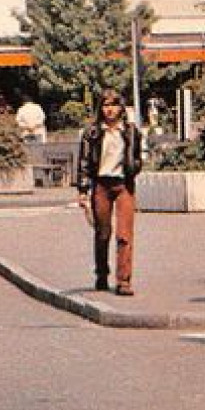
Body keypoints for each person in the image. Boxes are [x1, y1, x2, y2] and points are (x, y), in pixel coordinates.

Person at [76, 89, 143, 296]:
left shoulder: (130, 131)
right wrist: (83, 189)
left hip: (124, 185)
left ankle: (124, 281)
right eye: (106, 105)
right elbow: (85, 162)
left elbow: (138, 156)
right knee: (102, 233)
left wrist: (135, 166)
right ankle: (101, 273)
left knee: (125, 233)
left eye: (113, 105)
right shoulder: (93, 132)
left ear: (121, 108)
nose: (110, 110)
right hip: (101, 185)